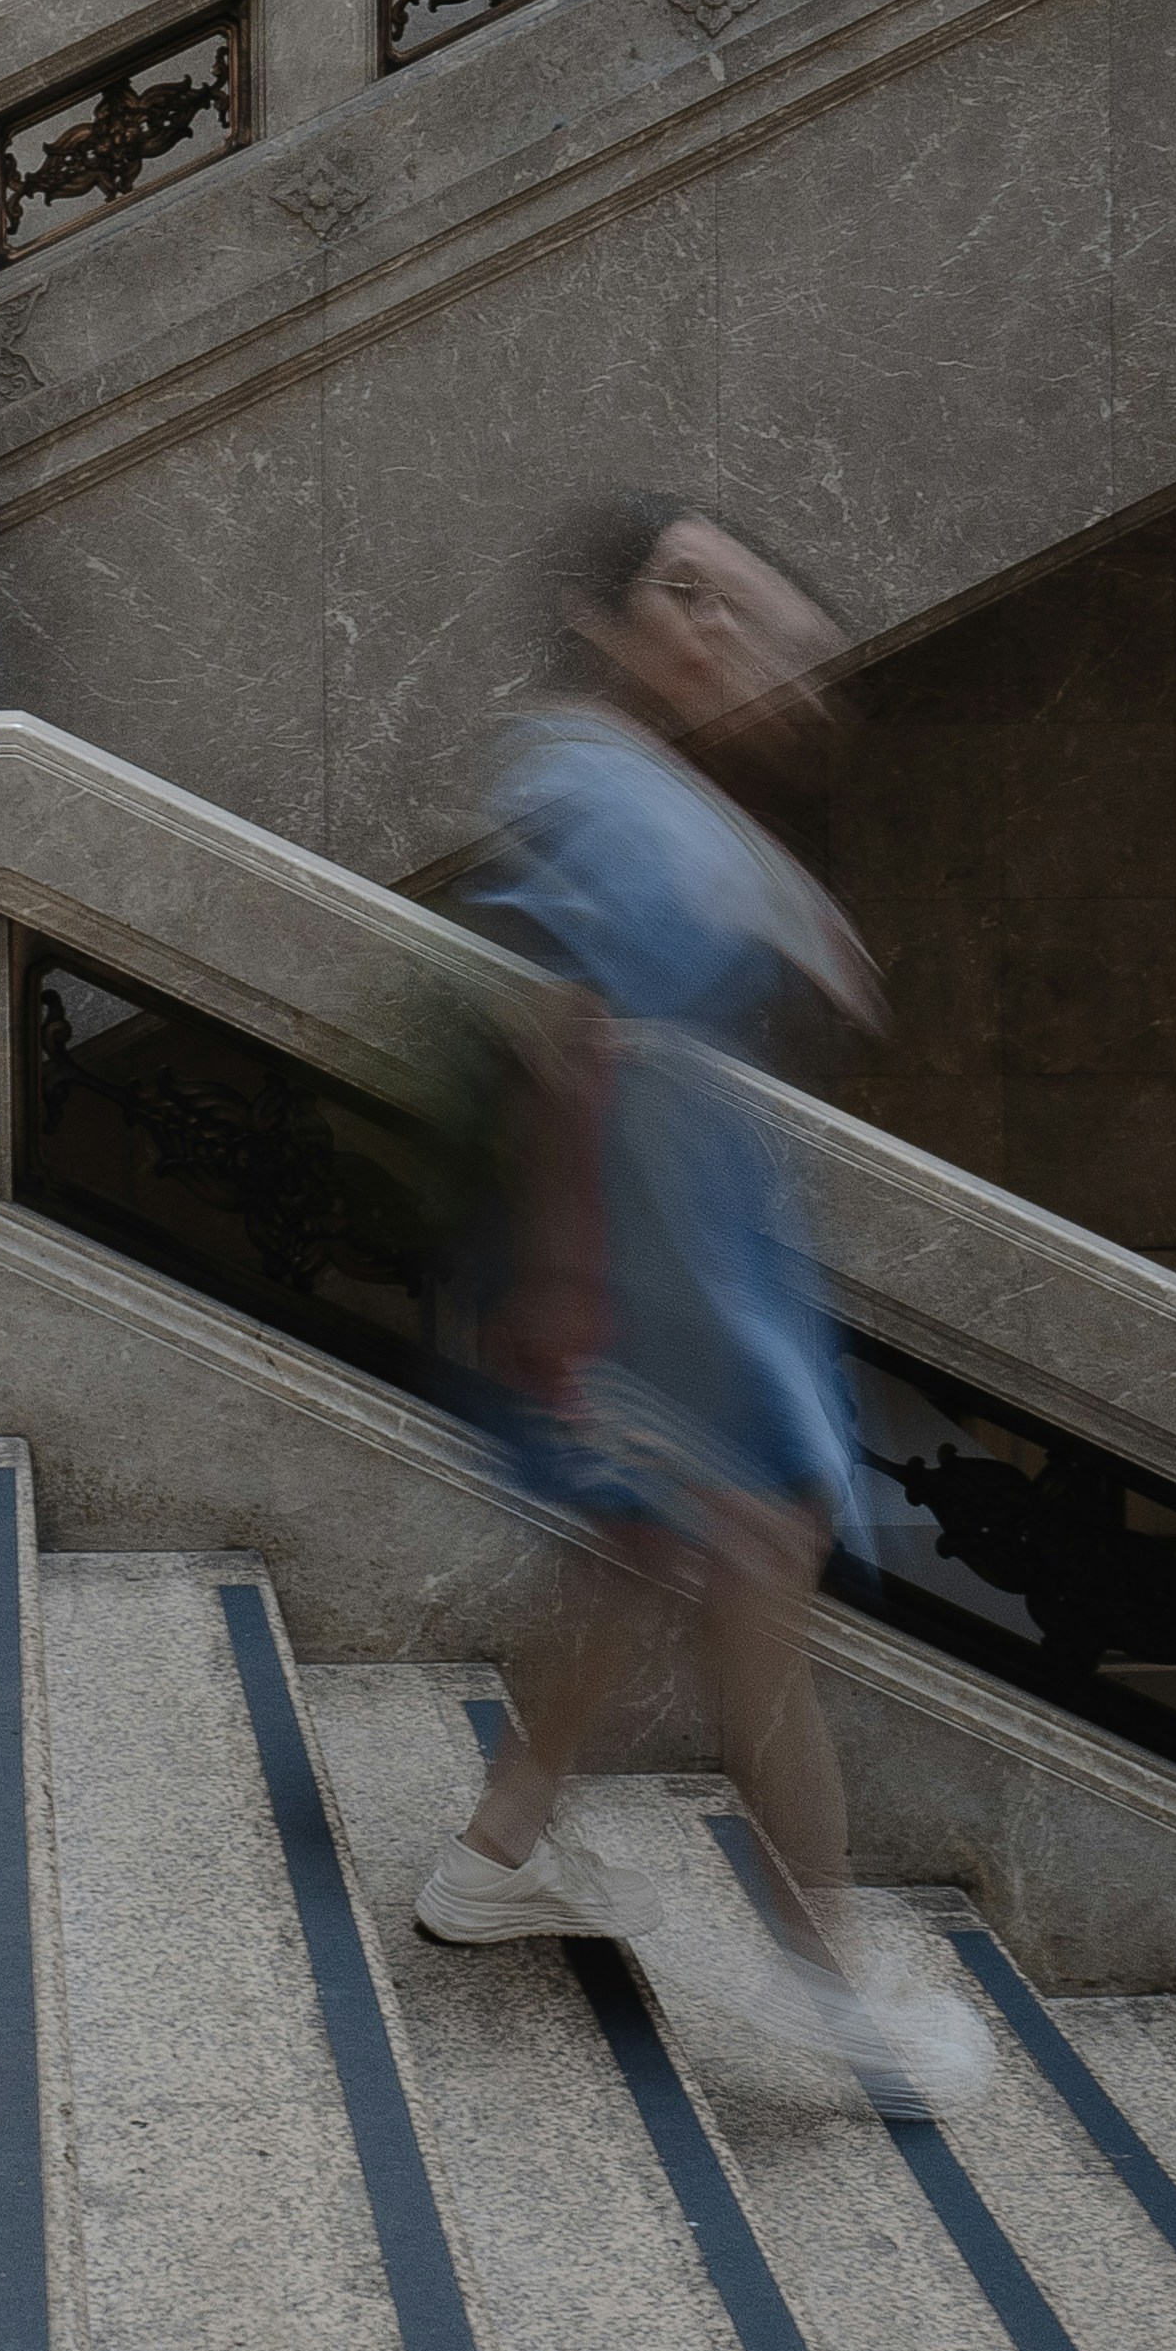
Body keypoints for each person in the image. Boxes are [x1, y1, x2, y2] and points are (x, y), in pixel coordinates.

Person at [414, 496, 993, 2118]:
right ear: (609, 623)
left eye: (730, 597)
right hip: (660, 1258)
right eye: (682, 596)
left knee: (637, 1543)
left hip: (688, 1234)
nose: (718, 628)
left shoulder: (632, 777)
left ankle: (496, 1849)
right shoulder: (593, 787)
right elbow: (566, 1041)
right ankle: (828, 1981)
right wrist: (575, 1287)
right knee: (753, 1569)